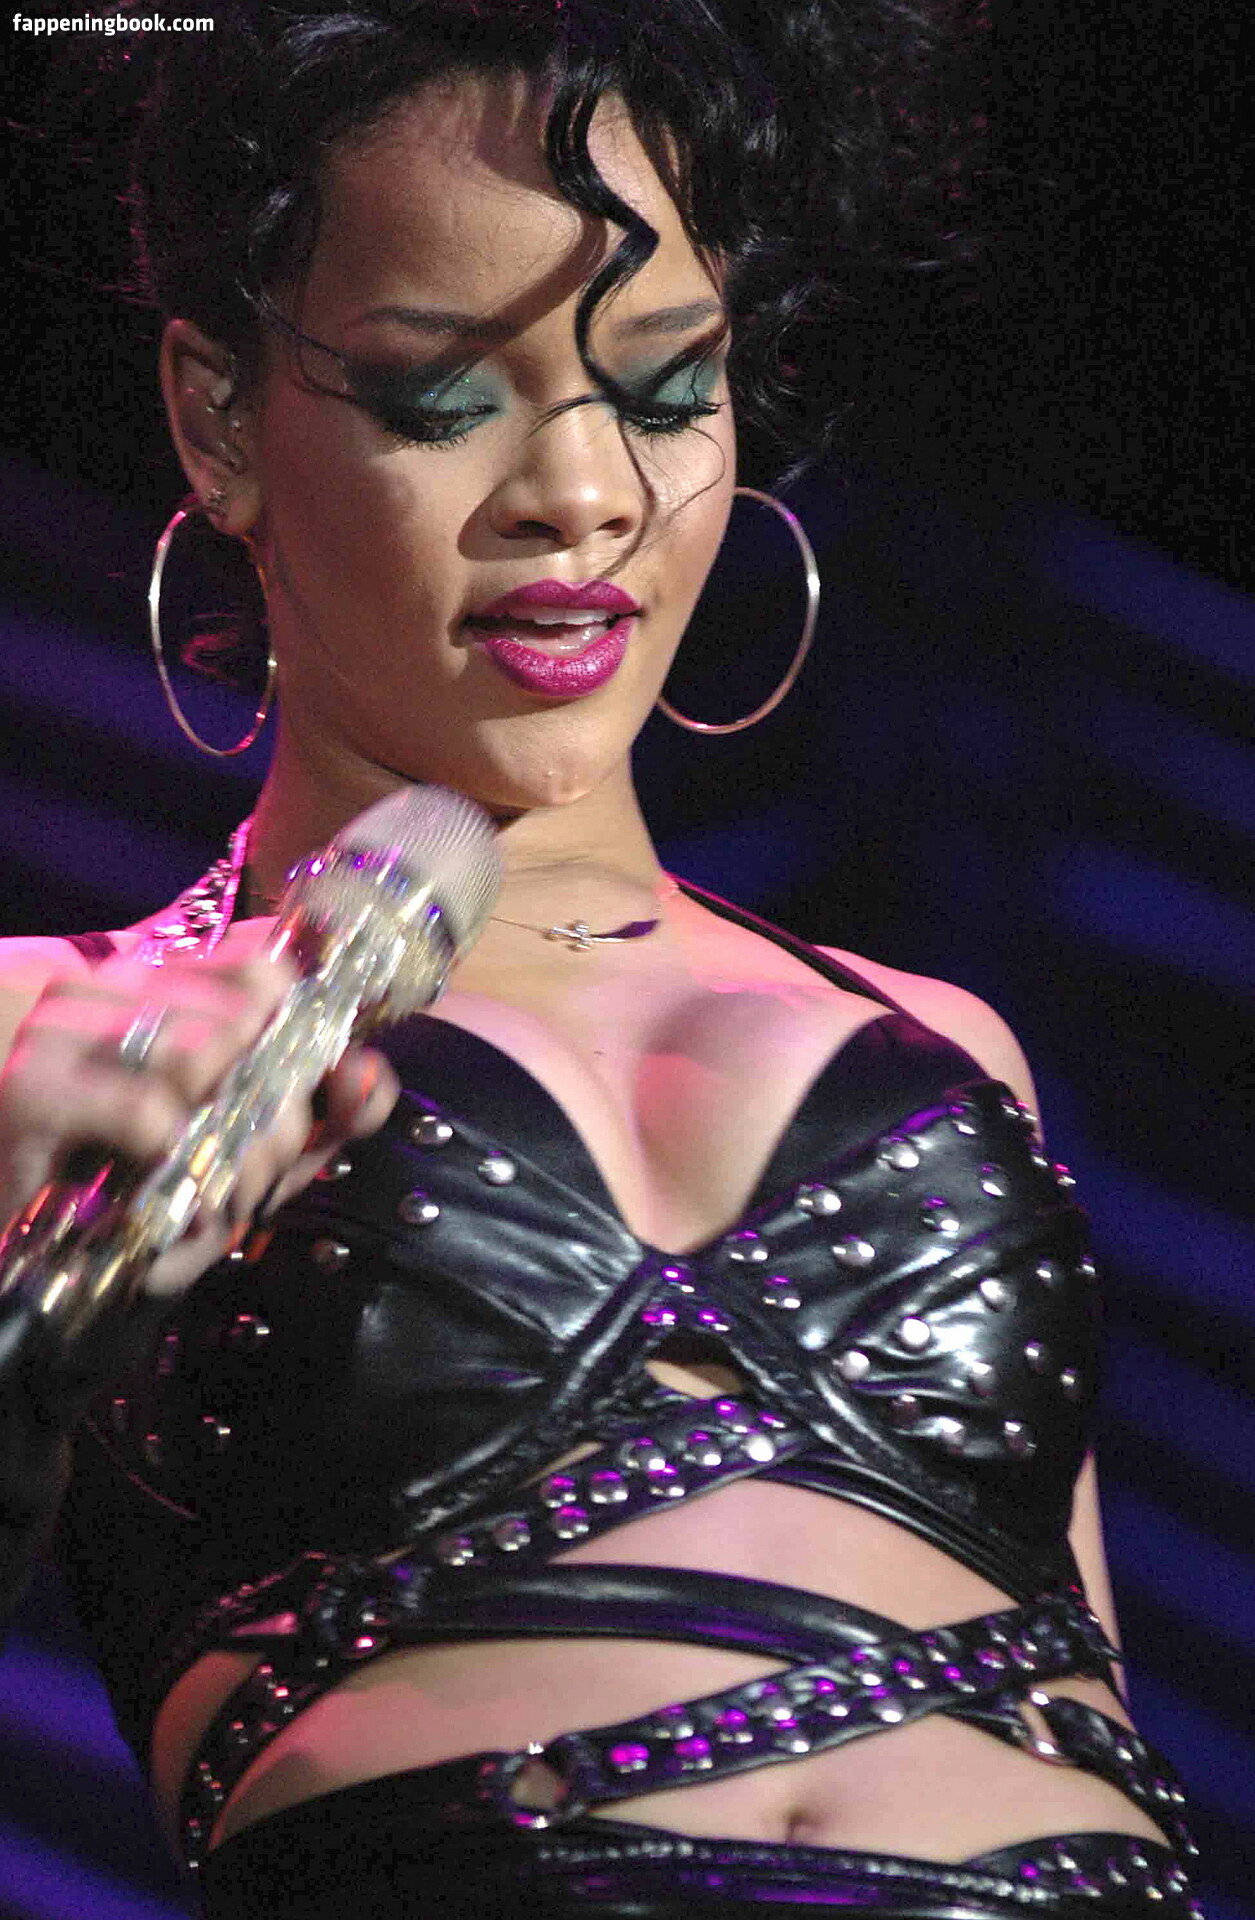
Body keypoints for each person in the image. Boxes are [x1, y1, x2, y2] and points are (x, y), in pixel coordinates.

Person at [0, 1, 1202, 1914]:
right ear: (219, 420)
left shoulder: (944, 1040)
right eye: (442, 395)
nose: (582, 495)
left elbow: (1081, 1686)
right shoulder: (53, 1031)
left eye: (660, 387)